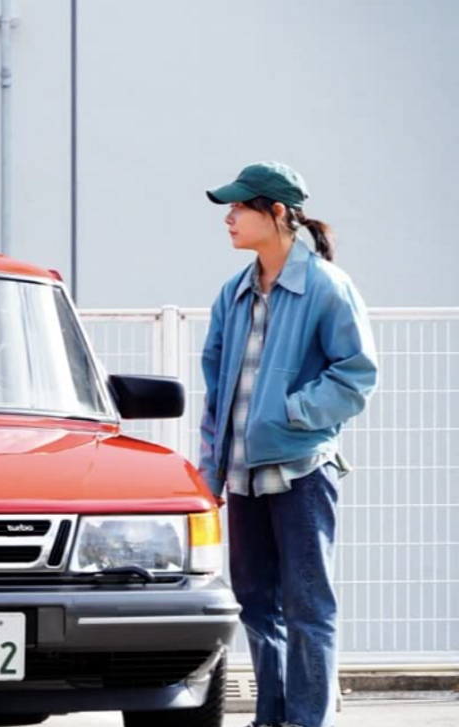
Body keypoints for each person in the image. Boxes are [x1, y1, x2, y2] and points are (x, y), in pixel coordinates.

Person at [199, 162, 378, 727]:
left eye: (239, 207)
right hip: (243, 476)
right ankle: (270, 718)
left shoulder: (326, 286)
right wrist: (211, 469)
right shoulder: (234, 292)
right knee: (255, 605)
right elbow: (215, 390)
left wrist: (291, 414)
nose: (229, 218)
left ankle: (307, 720)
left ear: (276, 212)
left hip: (301, 471)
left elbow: (356, 376)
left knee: (307, 606)